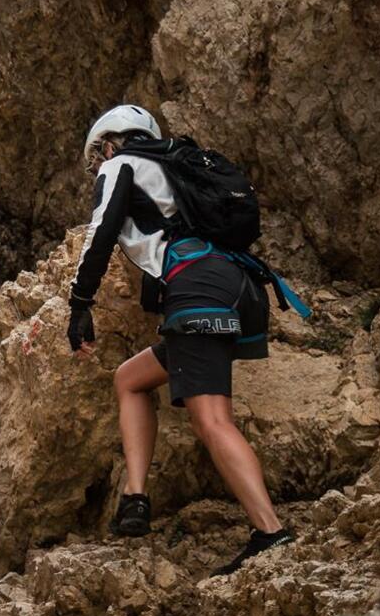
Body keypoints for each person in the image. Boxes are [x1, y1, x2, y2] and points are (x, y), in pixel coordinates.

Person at [68, 104, 293, 575]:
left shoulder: (120, 165)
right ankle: (136, 499)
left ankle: (270, 532)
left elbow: (102, 231)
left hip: (197, 289)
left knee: (211, 419)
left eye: (97, 155)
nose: (98, 164)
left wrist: (80, 304)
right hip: (235, 287)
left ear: (109, 143)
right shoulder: (174, 170)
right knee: (130, 379)